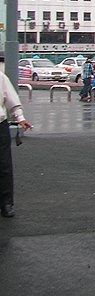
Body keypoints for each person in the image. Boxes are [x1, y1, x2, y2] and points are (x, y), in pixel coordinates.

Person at [0, 71, 33, 218]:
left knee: (3, 164)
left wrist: (20, 117)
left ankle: (6, 203)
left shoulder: (0, 77)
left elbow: (11, 100)